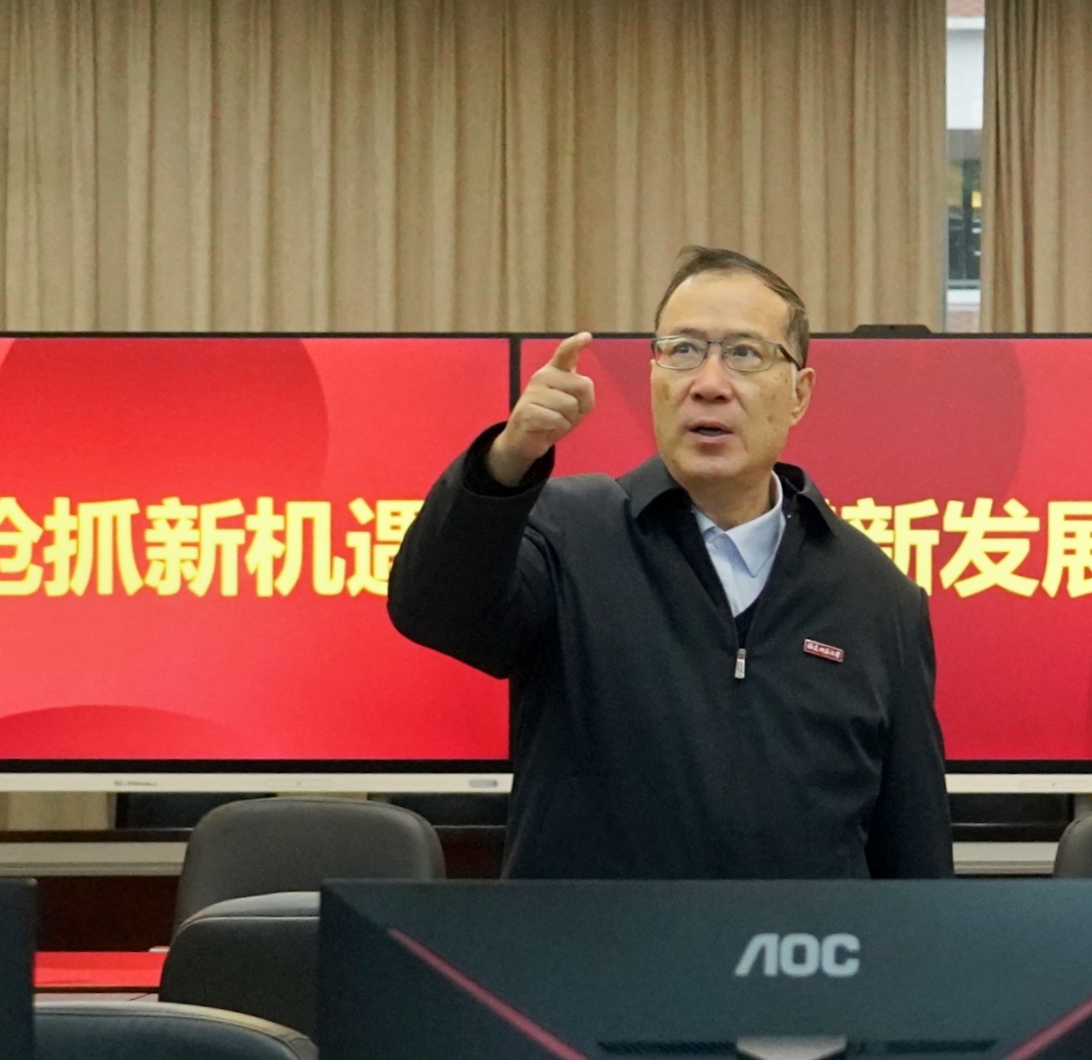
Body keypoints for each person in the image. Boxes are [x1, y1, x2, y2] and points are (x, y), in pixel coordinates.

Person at [389, 247, 951, 879]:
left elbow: (913, 848)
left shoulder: (877, 595)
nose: (708, 383)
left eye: (744, 353)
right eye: (682, 350)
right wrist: (507, 461)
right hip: (591, 943)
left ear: (798, 394)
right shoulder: (566, 533)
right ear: (654, 379)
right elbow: (432, 610)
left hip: (795, 944)